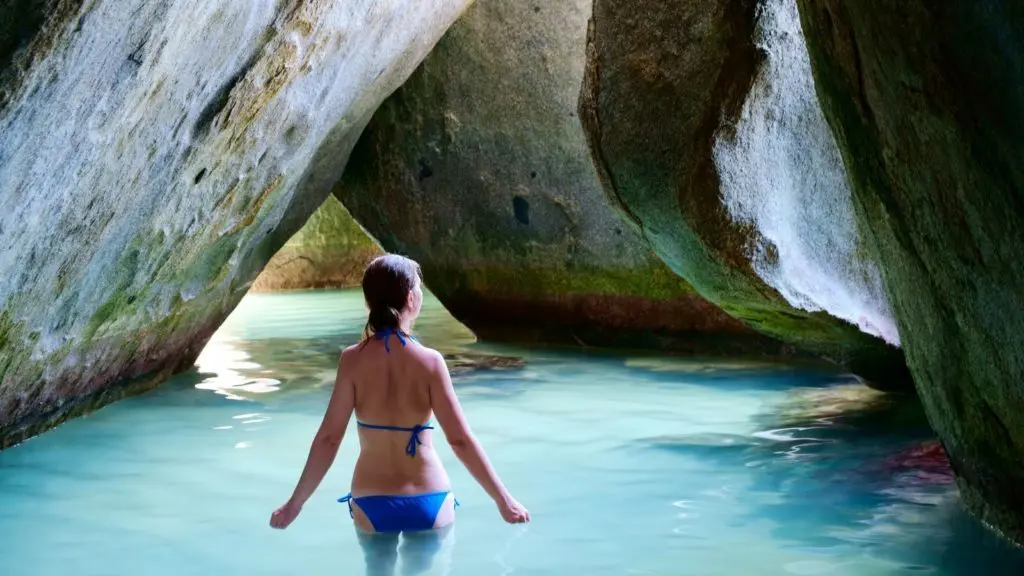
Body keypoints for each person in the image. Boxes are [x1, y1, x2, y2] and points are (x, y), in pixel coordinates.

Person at [269, 253, 529, 573]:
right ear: (411, 298)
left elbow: (329, 439)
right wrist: (504, 499)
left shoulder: (351, 360)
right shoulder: (430, 361)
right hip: (429, 499)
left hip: (372, 501)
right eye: (418, 287)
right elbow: (460, 440)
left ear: (369, 302)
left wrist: (295, 503)